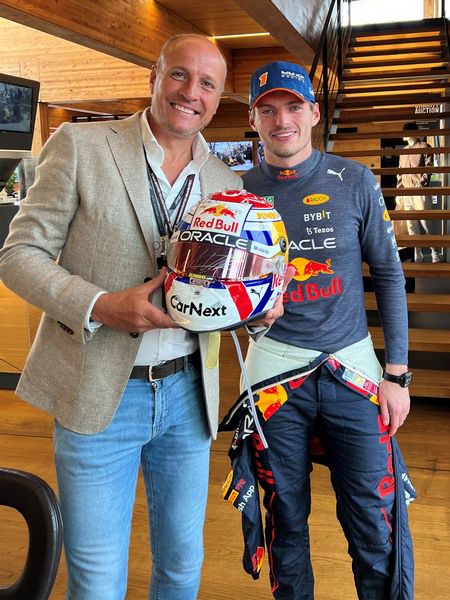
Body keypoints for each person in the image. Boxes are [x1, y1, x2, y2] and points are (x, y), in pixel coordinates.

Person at [0, 33, 244, 600]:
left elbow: (223, 289)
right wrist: (101, 305)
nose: (191, 92)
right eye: (179, 74)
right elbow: (18, 255)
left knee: (182, 567)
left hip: (188, 396)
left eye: (207, 83)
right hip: (97, 392)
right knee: (96, 581)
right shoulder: (81, 145)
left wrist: (254, 307)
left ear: (218, 98)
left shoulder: (226, 184)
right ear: (154, 77)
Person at [222, 61, 415, 599]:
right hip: (273, 376)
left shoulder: (355, 180)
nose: (281, 120)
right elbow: (221, 294)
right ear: (254, 119)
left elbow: (389, 274)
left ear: (312, 112)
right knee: (285, 519)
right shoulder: (236, 192)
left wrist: (398, 375)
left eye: (292, 107)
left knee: (375, 522)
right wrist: (247, 314)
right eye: (267, 110)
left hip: (355, 372)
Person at [396, 121, 440, 263]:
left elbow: (428, 167)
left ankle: (434, 252)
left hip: (419, 192)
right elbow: (400, 173)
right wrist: (399, 191)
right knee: (411, 226)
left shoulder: (424, 147)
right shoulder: (403, 152)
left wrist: (421, 183)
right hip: (406, 193)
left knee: (426, 223)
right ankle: (418, 254)